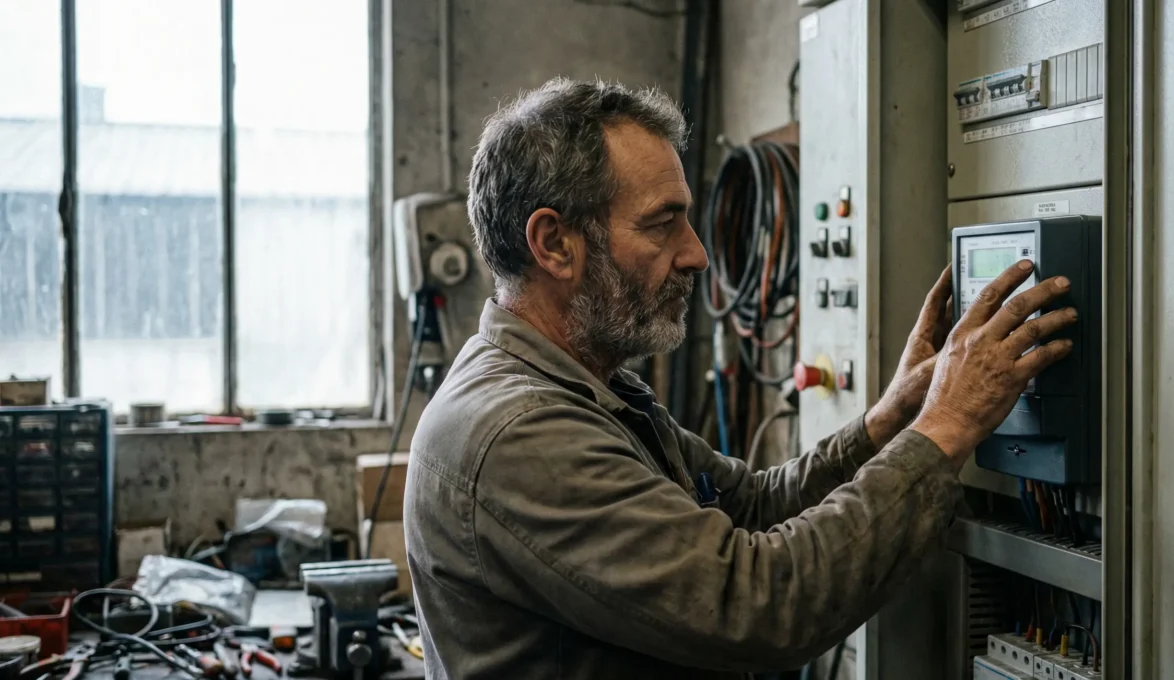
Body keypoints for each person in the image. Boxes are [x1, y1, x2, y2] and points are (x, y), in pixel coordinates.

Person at [403, 78, 1076, 680]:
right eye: (662, 224)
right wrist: (947, 427)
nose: (696, 253)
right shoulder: (522, 434)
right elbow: (759, 604)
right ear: (553, 244)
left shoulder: (591, 389)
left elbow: (749, 506)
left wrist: (893, 418)